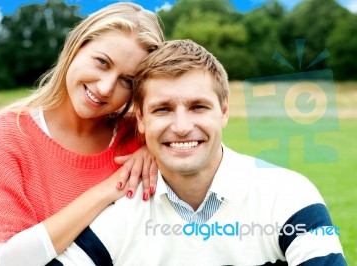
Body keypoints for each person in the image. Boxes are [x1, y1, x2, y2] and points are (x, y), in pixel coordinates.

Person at [52, 39, 347, 265]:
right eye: (163, 109)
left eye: (198, 107)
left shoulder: (286, 194)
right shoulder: (119, 213)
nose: (181, 127)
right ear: (140, 119)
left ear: (224, 112)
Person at [0, 2, 164, 265]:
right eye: (102, 62)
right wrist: (106, 190)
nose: (106, 88)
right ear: (76, 46)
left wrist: (156, 149)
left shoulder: (143, 136)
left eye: (127, 81)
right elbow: (5, 260)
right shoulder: (7, 135)